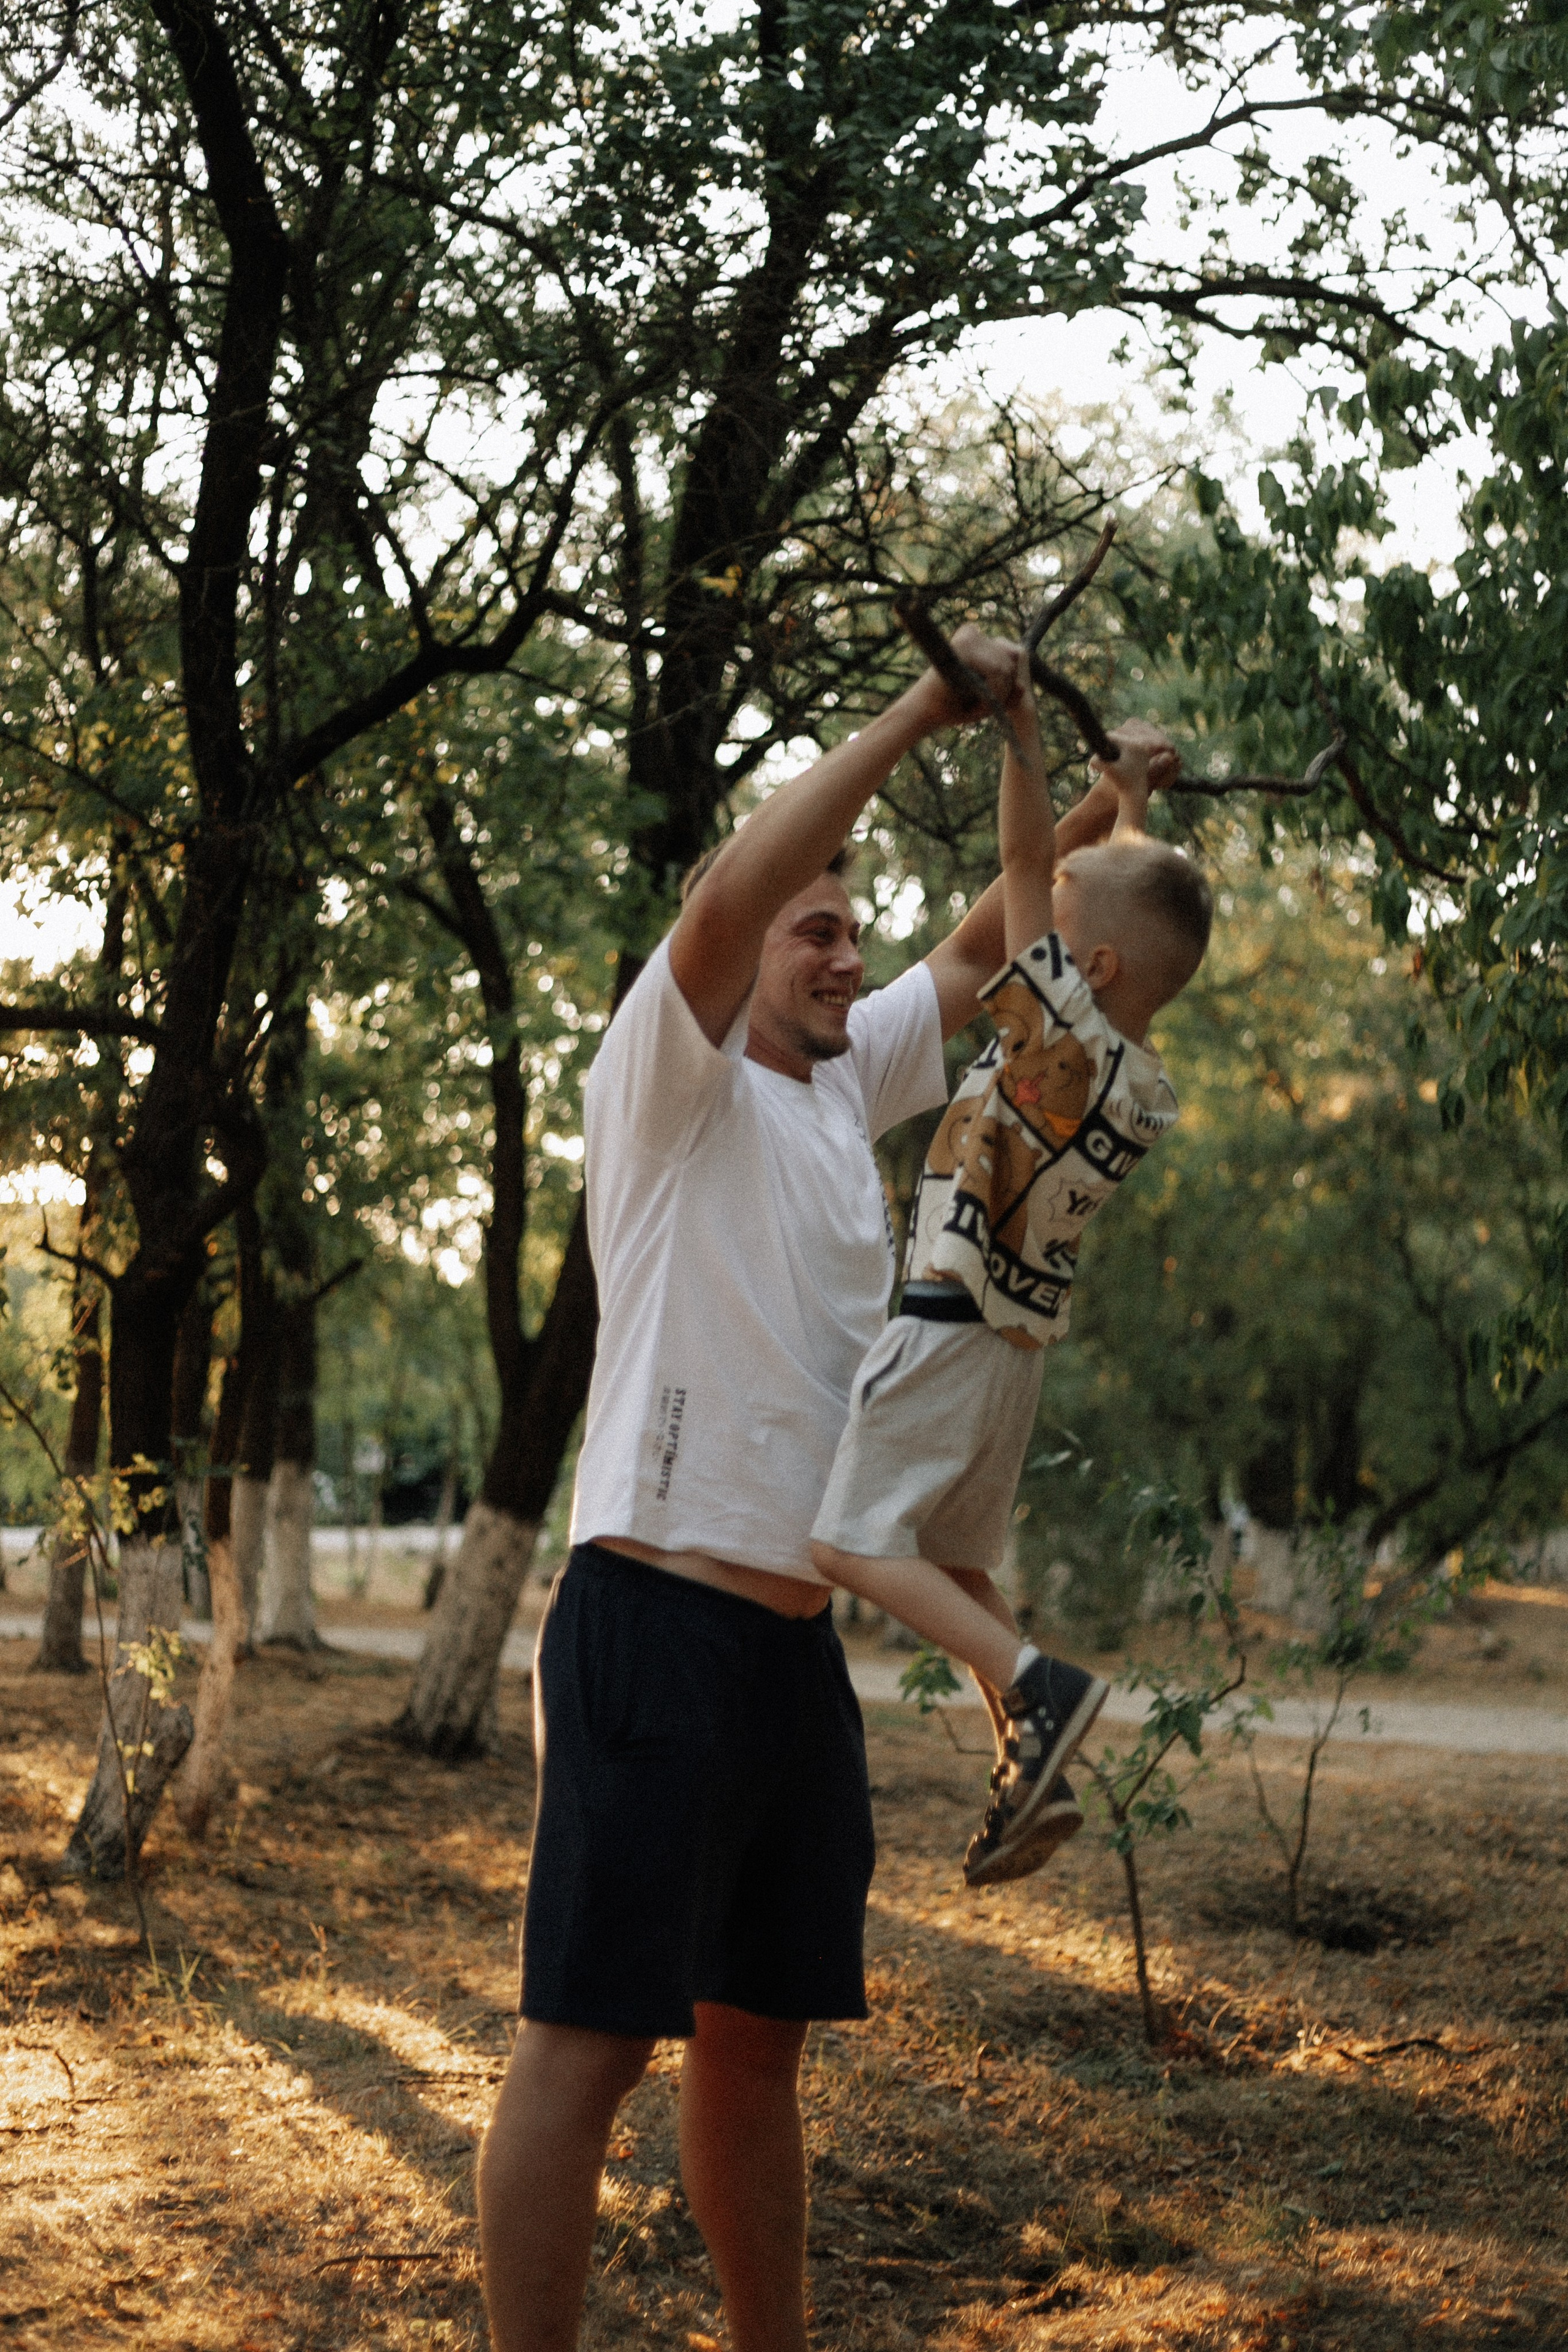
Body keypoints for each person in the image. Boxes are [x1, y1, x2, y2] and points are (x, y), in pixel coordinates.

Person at [476, 628, 1128, 2352]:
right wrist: (923, 704)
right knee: (593, 2040)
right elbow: (719, 902)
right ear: (745, 947)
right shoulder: (667, 1078)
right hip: (648, 1620)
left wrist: (1096, 789)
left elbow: (1007, 928)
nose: (845, 953)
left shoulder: (850, 1088)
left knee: (758, 2038)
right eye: (815, 927)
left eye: (854, 929)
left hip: (790, 1658)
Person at [811, 666, 1210, 1889]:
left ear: (1084, 966)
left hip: (944, 1321)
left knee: (846, 1543)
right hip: (1010, 1353)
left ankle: (1042, 1690)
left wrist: (1026, 731)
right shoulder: (1127, 1075)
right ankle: (1028, 1765)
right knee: (959, 1568)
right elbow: (1071, 888)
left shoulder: (1056, 1041)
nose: (1026, 917)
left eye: (1056, 923)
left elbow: (1023, 859)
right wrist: (1126, 800)